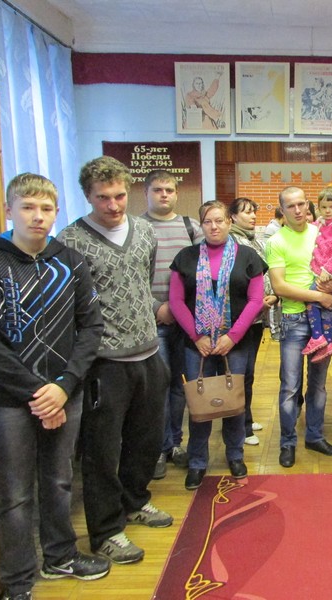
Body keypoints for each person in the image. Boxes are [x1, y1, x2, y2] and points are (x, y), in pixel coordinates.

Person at [0, 173, 109, 600]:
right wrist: (38, 393)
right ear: (9, 209)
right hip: (8, 401)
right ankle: (17, 582)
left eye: (46, 208)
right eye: (28, 207)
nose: (37, 216)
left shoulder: (71, 261)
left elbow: (91, 327)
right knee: (15, 494)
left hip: (66, 392)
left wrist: (64, 387)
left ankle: (60, 556)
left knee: (60, 480)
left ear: (56, 212)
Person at [57, 156, 172, 566]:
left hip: (149, 352)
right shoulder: (71, 240)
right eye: (103, 198)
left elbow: (143, 282)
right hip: (104, 362)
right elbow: (70, 306)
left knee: (146, 439)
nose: (113, 205)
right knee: (102, 450)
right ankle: (106, 531)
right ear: (87, 197)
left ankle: (135, 500)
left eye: (120, 195)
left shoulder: (144, 230)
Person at [169, 201, 267, 489]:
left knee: (233, 402)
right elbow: (176, 301)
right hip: (196, 344)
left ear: (229, 222)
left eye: (219, 220)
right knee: (200, 403)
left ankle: (235, 455)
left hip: (235, 343)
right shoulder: (185, 257)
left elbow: (256, 300)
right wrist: (196, 336)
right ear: (201, 225)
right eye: (208, 221)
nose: (214, 227)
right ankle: (197, 461)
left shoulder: (248, 256)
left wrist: (232, 337)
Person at [266, 186, 332, 468]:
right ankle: (287, 443)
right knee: (290, 387)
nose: (298, 210)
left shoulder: (322, 233)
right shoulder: (276, 241)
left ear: (308, 205)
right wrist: (318, 296)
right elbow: (280, 286)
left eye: (301, 204)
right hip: (294, 320)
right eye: (291, 206)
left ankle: (315, 436)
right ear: (282, 210)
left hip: (323, 319)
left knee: (318, 385)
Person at [141, 170, 204, 480]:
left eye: (169, 189)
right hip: (153, 321)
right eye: (157, 190)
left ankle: (175, 443)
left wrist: (184, 310)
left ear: (177, 194)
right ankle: (157, 448)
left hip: (186, 322)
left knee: (182, 386)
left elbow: (204, 272)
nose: (164, 194)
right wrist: (158, 307)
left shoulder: (191, 227)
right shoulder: (137, 229)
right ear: (146, 193)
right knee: (158, 388)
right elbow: (132, 277)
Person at [228, 197, 279, 445]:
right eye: (246, 212)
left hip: (257, 319)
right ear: (232, 216)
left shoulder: (254, 240)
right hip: (240, 318)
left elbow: (263, 273)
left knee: (248, 373)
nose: (252, 216)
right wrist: (257, 301)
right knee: (239, 374)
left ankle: (246, 418)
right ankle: (240, 427)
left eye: (253, 212)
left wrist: (271, 296)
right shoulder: (231, 241)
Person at [301, 186, 332, 361]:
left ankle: (317, 337)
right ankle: (329, 342)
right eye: (324, 207)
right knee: (325, 306)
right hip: (320, 271)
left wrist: (327, 270)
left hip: (331, 273)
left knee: (311, 298)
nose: (328, 210)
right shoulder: (321, 223)